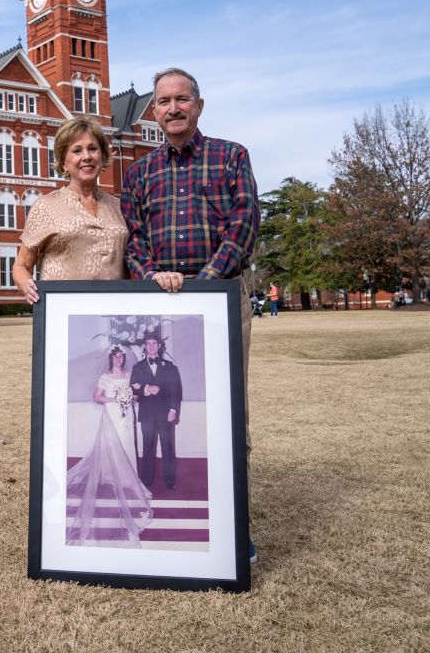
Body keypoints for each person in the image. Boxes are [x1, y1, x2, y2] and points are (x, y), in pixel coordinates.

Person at [120, 67, 260, 562]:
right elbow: (133, 237)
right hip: (158, 296)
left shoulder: (231, 155)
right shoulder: (138, 173)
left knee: (227, 408)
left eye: (182, 99)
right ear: (153, 111)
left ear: (199, 105)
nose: (173, 108)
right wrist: (152, 275)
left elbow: (245, 221)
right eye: (164, 102)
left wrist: (207, 281)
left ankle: (233, 529)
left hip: (220, 291)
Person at [12, 117, 127, 302]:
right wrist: (30, 289)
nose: (86, 156)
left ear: (103, 156)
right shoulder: (46, 207)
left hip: (113, 312)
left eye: (93, 148)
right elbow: (21, 266)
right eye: (76, 150)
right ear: (64, 162)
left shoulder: (120, 207)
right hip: (65, 312)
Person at [66, 346, 154, 546]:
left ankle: (127, 475)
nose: (119, 359)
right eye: (116, 356)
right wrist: (116, 398)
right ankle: (109, 474)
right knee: (112, 444)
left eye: (121, 356)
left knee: (126, 442)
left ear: (123, 358)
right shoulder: (105, 377)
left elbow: (137, 395)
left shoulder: (130, 375)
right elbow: (97, 397)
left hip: (126, 414)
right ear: (111, 358)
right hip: (112, 413)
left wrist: (130, 396)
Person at [127, 329, 183, 490]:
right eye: (148, 344)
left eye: (154, 344)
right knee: (148, 448)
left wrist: (173, 410)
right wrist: (146, 389)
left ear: (159, 346)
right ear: (144, 347)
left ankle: (170, 482)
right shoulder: (138, 367)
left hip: (166, 414)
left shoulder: (170, 367)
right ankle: (146, 482)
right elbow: (133, 387)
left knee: (168, 447)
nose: (151, 347)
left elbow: (176, 391)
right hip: (147, 415)